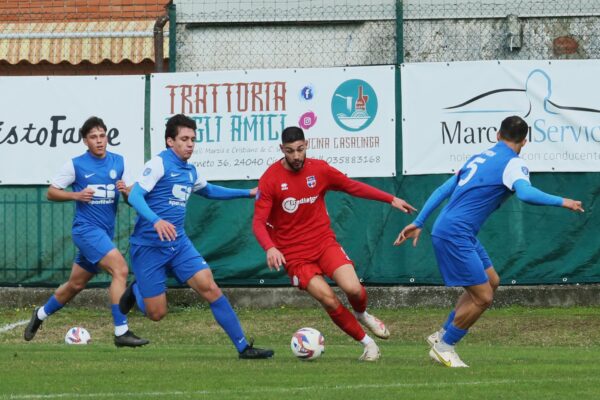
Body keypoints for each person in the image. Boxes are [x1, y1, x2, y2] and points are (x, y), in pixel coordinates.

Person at [394, 115, 584, 368]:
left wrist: (419, 221)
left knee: (492, 281)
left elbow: (443, 190)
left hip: (457, 230)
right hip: (455, 233)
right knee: (483, 297)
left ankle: (442, 334)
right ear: (525, 141)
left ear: (497, 135)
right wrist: (563, 201)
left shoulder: (480, 157)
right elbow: (525, 194)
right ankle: (445, 346)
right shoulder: (513, 164)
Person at [252, 126, 416, 361]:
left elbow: (352, 186)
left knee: (353, 289)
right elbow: (258, 223)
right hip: (295, 256)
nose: (296, 156)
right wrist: (270, 247)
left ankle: (361, 314)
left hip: (323, 243)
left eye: (300, 149)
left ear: (306, 145)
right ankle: (368, 345)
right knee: (329, 299)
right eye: (290, 151)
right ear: (282, 150)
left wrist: (390, 198)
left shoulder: (319, 169)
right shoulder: (270, 179)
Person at [119, 114, 273, 359]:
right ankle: (136, 290)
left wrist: (247, 193)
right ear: (170, 141)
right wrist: (156, 220)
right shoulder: (158, 164)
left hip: (178, 244)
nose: (190, 144)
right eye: (184, 139)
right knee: (156, 314)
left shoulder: (190, 171)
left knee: (210, 287)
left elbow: (209, 190)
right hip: (149, 247)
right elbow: (136, 196)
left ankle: (244, 347)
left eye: (193, 139)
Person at [24, 116, 148, 347]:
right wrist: (76, 195)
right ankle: (121, 332)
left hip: (103, 234)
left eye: (102, 136)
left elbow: (132, 199)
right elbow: (51, 192)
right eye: (93, 137)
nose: (99, 141)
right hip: (85, 231)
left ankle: (39, 315)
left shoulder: (119, 162)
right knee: (120, 269)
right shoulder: (76, 165)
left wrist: (126, 192)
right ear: (85, 141)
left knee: (75, 285)